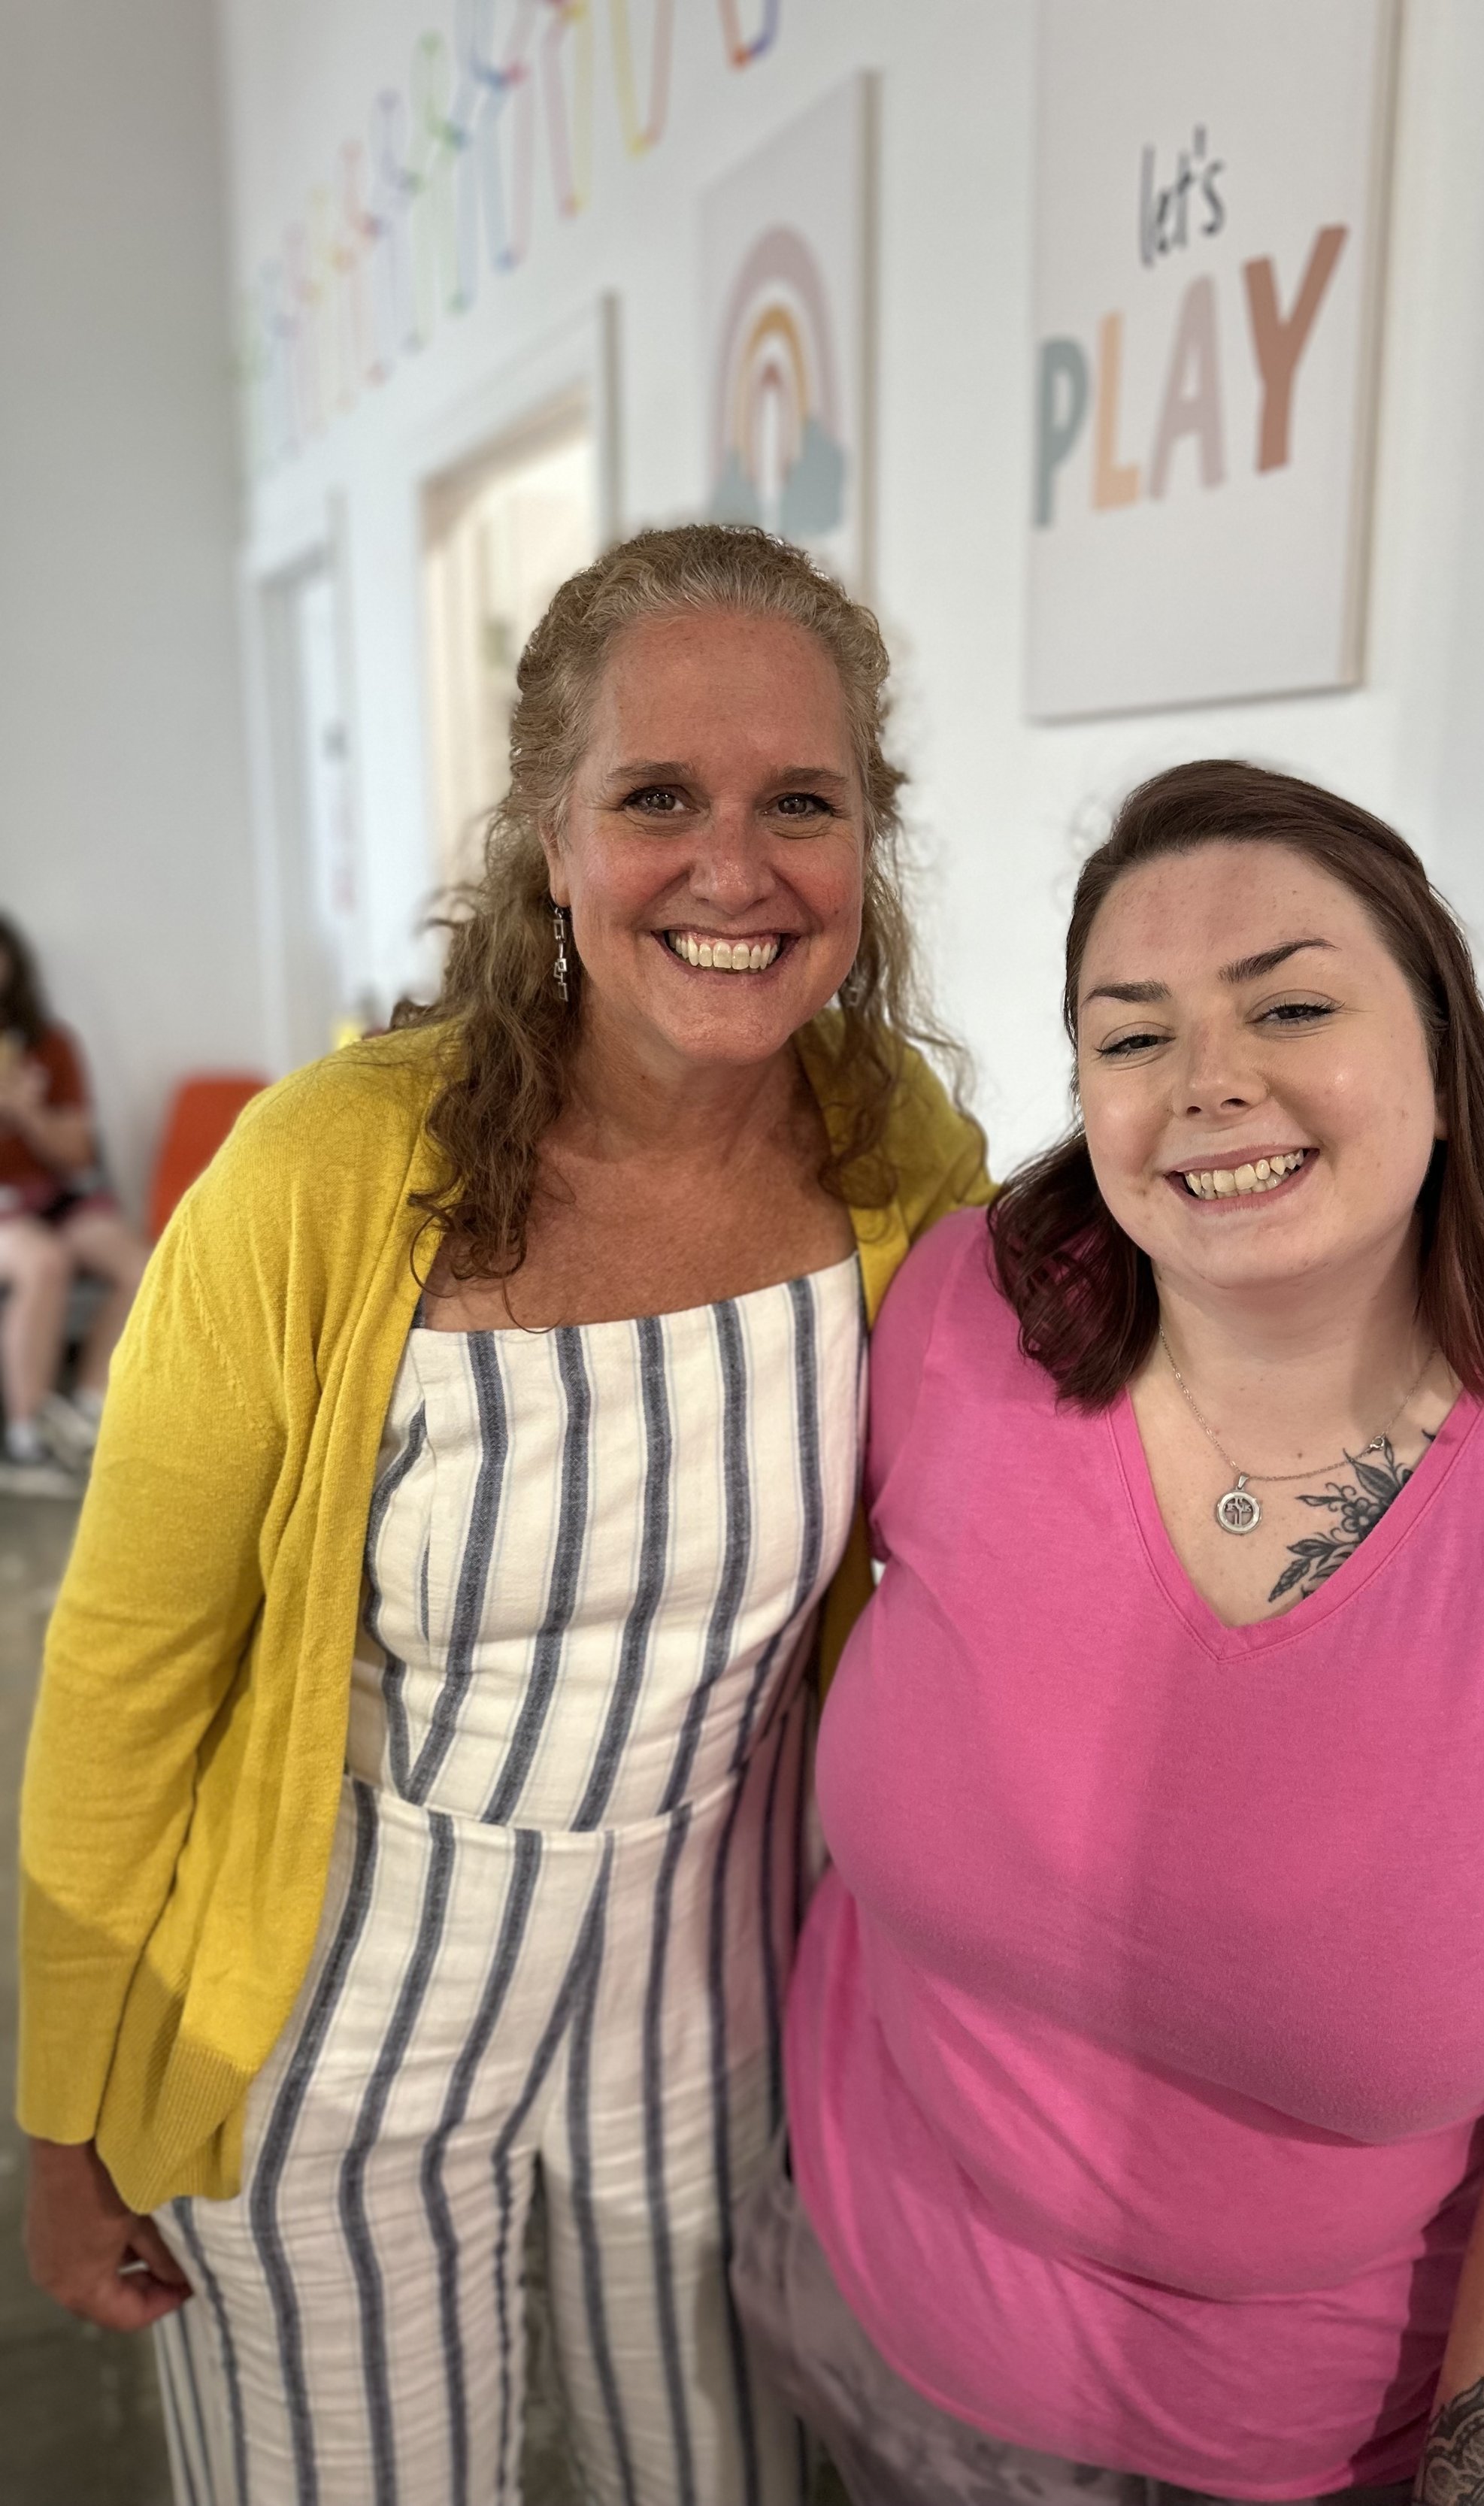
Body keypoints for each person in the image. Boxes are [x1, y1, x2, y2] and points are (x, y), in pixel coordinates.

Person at [18, 525, 993, 2506]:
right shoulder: (320, 1173)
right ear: (550, 835)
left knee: (723, 2474)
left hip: (711, 2019)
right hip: (336, 2026)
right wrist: (64, 2111)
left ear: (863, 842)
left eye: (796, 800)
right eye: (658, 798)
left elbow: (1096, 1375)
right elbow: (126, 1668)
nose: (734, 867)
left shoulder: (896, 1144)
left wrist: (1450, 1317)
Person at [736, 762, 1484, 2506]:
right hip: (860, 2315)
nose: (1210, 1080)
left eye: (1292, 1004)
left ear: (1443, 1059)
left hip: (1294, 2457)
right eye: (1131, 1037)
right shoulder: (960, 1317)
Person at [0, 913, 147, 1492]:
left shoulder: (51, 1044)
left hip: (61, 1197)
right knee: (44, 1263)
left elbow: (79, 1154)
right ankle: (27, 1431)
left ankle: (88, 1410)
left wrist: (27, 1111)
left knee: (142, 1264)